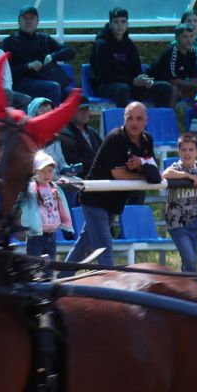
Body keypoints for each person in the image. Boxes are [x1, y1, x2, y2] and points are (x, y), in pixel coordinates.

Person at [77, 100, 157, 269]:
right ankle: (111, 291)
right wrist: (143, 173)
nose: (134, 123)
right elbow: (119, 174)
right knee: (104, 246)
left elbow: (153, 168)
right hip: (94, 199)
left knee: (84, 246)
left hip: (114, 202)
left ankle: (61, 279)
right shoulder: (115, 137)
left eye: (139, 118)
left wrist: (142, 166)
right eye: (130, 118)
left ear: (146, 121)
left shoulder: (147, 140)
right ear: (124, 119)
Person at [161, 133, 197, 272]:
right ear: (178, 151)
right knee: (189, 259)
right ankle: (196, 288)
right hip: (177, 223)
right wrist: (188, 176)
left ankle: (186, 289)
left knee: (191, 259)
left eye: (191, 150)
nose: (187, 153)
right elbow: (165, 174)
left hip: (194, 222)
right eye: (184, 150)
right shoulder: (177, 167)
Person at [89, 8, 171, 109]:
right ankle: (124, 122)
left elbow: (137, 71)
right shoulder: (101, 44)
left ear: (127, 24)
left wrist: (145, 80)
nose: (120, 25)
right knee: (123, 89)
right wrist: (132, 81)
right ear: (110, 24)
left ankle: (159, 121)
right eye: (116, 22)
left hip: (128, 84)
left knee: (164, 88)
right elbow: (105, 75)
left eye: (123, 21)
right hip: (105, 86)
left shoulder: (129, 45)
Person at [0, 5, 72, 103]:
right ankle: (52, 118)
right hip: (20, 83)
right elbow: (7, 72)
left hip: (45, 79)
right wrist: (28, 66)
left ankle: (64, 118)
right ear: (18, 21)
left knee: (75, 95)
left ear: (37, 22)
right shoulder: (9, 42)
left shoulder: (44, 39)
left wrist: (53, 56)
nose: (29, 21)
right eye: (25, 18)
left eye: (32, 18)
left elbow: (70, 51)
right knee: (53, 87)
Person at [150, 23, 197, 130]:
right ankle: (168, 124)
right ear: (177, 38)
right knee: (174, 89)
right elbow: (171, 80)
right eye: (185, 37)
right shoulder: (172, 52)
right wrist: (189, 85)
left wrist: (191, 85)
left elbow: (195, 76)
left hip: (179, 85)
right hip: (158, 84)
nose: (189, 40)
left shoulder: (193, 52)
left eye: (191, 36)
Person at [22, 149, 75, 259]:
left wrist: (64, 182)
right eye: (43, 171)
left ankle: (48, 276)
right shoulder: (30, 189)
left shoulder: (54, 188)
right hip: (36, 236)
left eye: (50, 171)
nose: (46, 174)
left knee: (49, 267)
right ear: (35, 171)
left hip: (51, 235)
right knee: (35, 267)